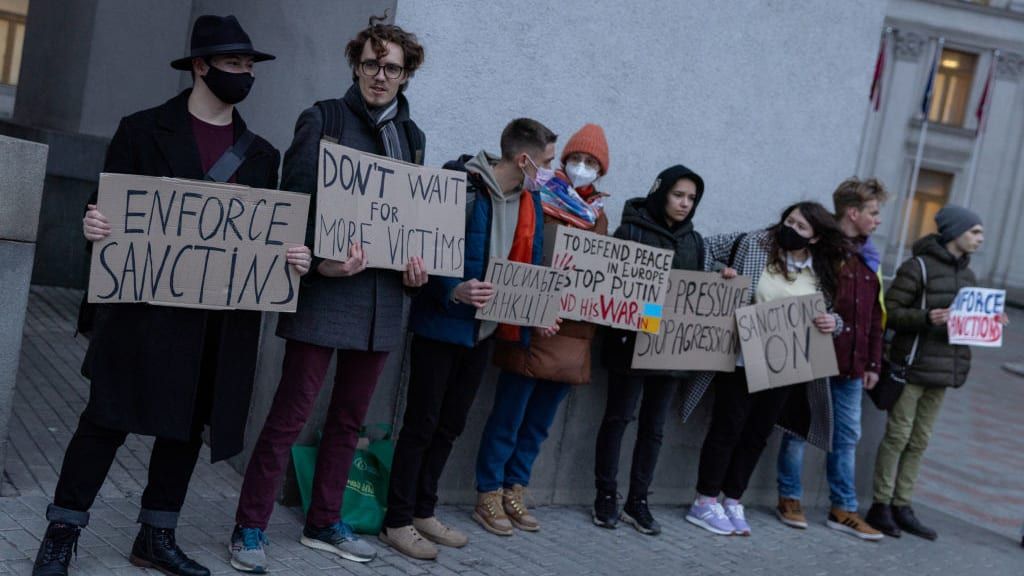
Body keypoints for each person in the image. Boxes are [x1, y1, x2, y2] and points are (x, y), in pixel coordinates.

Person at [33, 16, 311, 576]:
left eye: (250, 66)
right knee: (105, 420)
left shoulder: (261, 155)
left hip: (213, 321)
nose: (245, 75)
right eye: (234, 64)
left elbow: (262, 236)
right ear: (201, 67)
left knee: (185, 427)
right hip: (141, 312)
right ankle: (61, 533)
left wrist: (291, 258)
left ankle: (156, 536)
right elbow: (111, 206)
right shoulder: (140, 130)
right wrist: (95, 226)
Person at [229, 15, 427, 572]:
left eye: (391, 67)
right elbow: (291, 209)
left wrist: (417, 270)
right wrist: (320, 264)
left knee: (348, 420)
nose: (379, 76)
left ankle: (324, 523)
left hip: (383, 303)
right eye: (370, 64)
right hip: (326, 293)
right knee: (289, 416)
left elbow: (412, 221)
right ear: (356, 65)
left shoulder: (413, 139)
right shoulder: (324, 119)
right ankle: (249, 527)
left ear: (407, 74)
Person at [379, 118, 556, 560]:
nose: (551, 171)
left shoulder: (530, 200)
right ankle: (396, 521)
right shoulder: (460, 184)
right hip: (442, 327)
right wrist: (451, 289)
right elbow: (424, 247)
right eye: (547, 161)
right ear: (524, 159)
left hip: (485, 334)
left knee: (450, 426)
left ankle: (423, 511)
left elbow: (527, 270)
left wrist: (537, 315)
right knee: (421, 424)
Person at [473, 124, 611, 536]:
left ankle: (517, 487)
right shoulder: (539, 198)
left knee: (538, 424)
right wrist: (535, 308)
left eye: (592, 163)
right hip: (531, 326)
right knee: (509, 416)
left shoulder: (599, 216)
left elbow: (601, 280)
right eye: (576, 159)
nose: (582, 167)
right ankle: (488, 491)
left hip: (571, 335)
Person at [684, 202, 847, 537]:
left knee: (757, 433)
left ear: (815, 237)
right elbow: (703, 247)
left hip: (787, 365)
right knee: (727, 427)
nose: (791, 228)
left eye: (801, 227)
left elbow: (831, 314)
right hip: (742, 356)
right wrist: (721, 274)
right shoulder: (754, 244)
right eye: (789, 221)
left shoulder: (822, 270)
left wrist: (835, 322)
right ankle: (704, 499)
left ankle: (732, 499)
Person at [865, 205, 1008, 541]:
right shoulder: (918, 267)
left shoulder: (969, 276)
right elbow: (891, 312)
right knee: (898, 437)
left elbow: (965, 323)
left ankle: (903, 505)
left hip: (942, 371)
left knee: (920, 441)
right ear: (955, 232)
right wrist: (927, 317)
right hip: (911, 366)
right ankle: (880, 504)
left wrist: (991, 322)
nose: (980, 239)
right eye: (975, 232)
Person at [591, 165, 708, 536]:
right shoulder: (631, 231)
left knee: (654, 429)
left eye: (691, 198)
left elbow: (696, 292)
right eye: (678, 195)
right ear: (661, 193)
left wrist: (720, 280)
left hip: (670, 353)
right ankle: (605, 495)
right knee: (618, 419)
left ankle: (638, 500)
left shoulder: (696, 242)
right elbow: (611, 286)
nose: (685, 204)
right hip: (631, 344)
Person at [774, 178, 887, 540]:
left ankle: (843, 508)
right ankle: (789, 496)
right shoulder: (824, 251)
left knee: (847, 436)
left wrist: (872, 363)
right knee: (799, 428)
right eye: (873, 212)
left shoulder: (869, 257)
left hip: (853, 367)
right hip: (816, 356)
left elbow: (873, 316)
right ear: (853, 213)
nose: (878, 220)